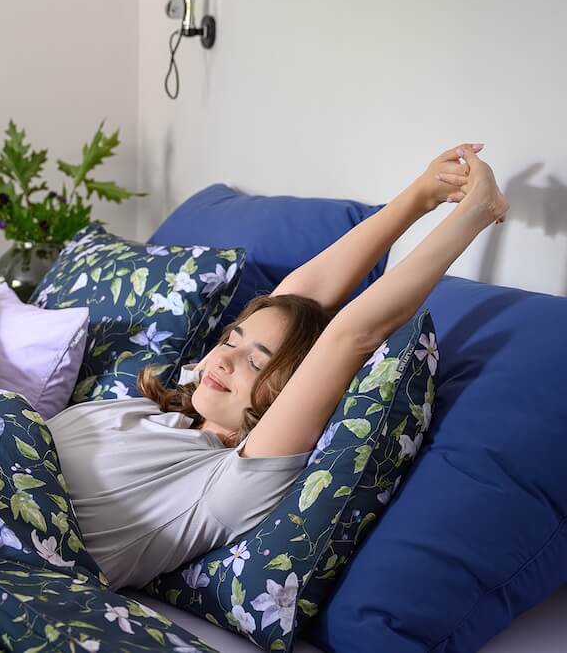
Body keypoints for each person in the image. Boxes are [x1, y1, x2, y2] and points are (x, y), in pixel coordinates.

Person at [45, 143, 509, 591]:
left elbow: (352, 335)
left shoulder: (224, 482)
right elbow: (293, 303)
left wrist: (474, 212)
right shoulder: (162, 412)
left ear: (287, 393)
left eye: (254, 361)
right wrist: (419, 195)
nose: (224, 358)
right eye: (231, 340)